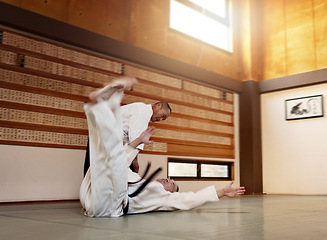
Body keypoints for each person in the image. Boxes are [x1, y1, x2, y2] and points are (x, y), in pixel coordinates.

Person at [80, 79, 245, 217]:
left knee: (110, 155)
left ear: (170, 193)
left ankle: (102, 105)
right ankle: (98, 106)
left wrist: (223, 191)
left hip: (109, 205)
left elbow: (190, 199)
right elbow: (125, 156)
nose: (168, 179)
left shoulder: (163, 198)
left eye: (171, 184)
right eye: (162, 116)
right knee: (109, 159)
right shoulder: (142, 111)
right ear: (157, 105)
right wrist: (138, 144)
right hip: (93, 197)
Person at [83, 76, 172, 175]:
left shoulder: (141, 109)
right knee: (96, 174)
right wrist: (135, 162)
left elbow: (134, 139)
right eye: (162, 116)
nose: (160, 119)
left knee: (93, 172)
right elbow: (136, 139)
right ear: (158, 105)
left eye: (163, 119)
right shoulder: (144, 111)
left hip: (103, 133)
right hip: (105, 136)